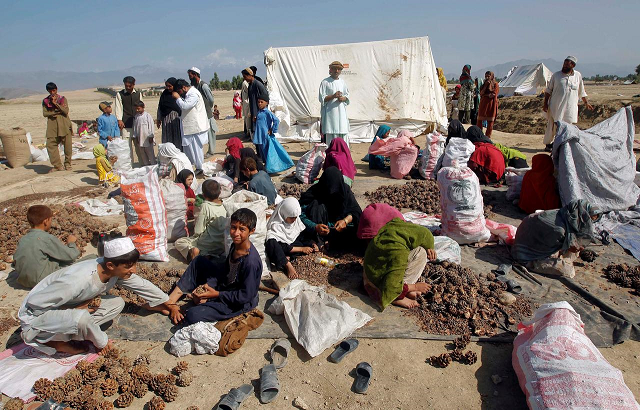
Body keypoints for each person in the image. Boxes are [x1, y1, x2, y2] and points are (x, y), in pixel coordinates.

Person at [18, 237, 178, 355]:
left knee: (116, 303)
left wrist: (169, 303)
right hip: (35, 318)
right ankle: (55, 341)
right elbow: (35, 303)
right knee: (81, 319)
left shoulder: (113, 271)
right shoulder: (77, 281)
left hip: (67, 309)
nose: (134, 270)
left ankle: (74, 332)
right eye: (129, 266)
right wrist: (74, 310)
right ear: (110, 265)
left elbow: (141, 285)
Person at [166, 208, 262, 325]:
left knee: (192, 315)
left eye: (242, 229)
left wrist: (216, 294)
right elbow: (225, 271)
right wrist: (208, 285)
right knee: (199, 261)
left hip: (240, 303)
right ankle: (171, 301)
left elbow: (245, 296)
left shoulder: (250, 262)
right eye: (233, 227)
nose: (236, 233)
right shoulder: (235, 245)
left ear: (251, 231)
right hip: (226, 286)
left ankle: (206, 303)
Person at [512, 200, 601, 278]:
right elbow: (571, 247)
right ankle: (533, 264)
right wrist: (576, 249)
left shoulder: (565, 214)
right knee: (568, 271)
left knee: (572, 252)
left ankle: (561, 259)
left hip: (540, 242)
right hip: (526, 255)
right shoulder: (559, 229)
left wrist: (581, 251)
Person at [362, 216, 436, 310]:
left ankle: (404, 289)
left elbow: (424, 235)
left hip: (369, 273)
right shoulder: (399, 253)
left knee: (419, 250)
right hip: (379, 286)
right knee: (421, 253)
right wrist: (415, 286)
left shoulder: (395, 228)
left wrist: (430, 246)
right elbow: (391, 287)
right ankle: (397, 297)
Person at [14, 205, 81, 289]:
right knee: (81, 262)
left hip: (23, 281)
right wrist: (71, 243)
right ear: (46, 221)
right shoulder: (47, 238)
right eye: (51, 220)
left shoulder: (23, 239)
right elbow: (71, 255)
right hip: (41, 281)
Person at [299, 166, 362, 249]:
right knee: (316, 206)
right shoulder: (314, 193)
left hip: (339, 228)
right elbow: (300, 215)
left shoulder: (344, 191)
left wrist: (345, 221)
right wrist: (315, 227)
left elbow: (356, 212)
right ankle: (319, 241)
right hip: (317, 230)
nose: (332, 193)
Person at [543, 56, 593, 152]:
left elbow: (581, 91)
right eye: (564, 64)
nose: (564, 66)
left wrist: (586, 103)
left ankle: (561, 145)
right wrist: (545, 104)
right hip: (556, 107)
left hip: (570, 108)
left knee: (567, 127)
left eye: (567, 65)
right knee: (554, 126)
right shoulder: (556, 76)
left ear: (573, 65)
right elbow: (548, 91)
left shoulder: (577, 76)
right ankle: (549, 144)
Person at [265, 197, 318, 279]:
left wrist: (312, 243)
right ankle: (287, 264)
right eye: (292, 217)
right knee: (272, 244)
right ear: (284, 214)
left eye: (295, 217)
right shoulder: (276, 225)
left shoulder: (295, 220)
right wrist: (301, 249)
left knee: (303, 240)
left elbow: (301, 235)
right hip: (282, 247)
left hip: (291, 246)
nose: (294, 220)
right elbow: (278, 244)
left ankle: (287, 257)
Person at [174, 179, 226, 262]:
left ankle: (196, 255)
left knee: (179, 242)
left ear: (203, 194)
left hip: (207, 244)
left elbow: (198, 230)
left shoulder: (205, 206)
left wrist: (195, 237)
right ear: (220, 192)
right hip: (221, 245)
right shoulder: (224, 205)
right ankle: (208, 255)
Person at [173, 78, 209, 175]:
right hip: (191, 127)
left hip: (195, 127)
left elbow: (185, 106)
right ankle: (197, 167)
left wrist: (178, 98)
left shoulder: (193, 94)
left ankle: (200, 168)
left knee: (196, 149)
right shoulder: (189, 93)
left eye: (179, 91)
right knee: (191, 149)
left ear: (184, 87)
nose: (179, 94)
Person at [188, 67, 219, 157]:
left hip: (207, 113)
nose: (189, 78)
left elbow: (211, 100)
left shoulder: (203, 85)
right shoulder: (194, 86)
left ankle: (211, 151)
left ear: (195, 75)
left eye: (190, 76)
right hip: (200, 114)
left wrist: (208, 109)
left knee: (210, 132)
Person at [42, 82, 73, 172]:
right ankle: (57, 165)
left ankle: (67, 164)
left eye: (54, 90)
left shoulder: (62, 99)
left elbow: (65, 111)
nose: (52, 93)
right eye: (50, 91)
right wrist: (55, 112)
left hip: (64, 123)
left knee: (67, 145)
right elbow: (45, 113)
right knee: (51, 144)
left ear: (56, 89)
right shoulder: (45, 101)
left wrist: (56, 104)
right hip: (52, 125)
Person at [319, 61, 350, 148]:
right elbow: (321, 98)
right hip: (330, 114)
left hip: (341, 113)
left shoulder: (342, 82)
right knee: (331, 133)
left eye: (339, 69)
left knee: (343, 132)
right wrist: (333, 96)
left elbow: (347, 96)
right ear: (330, 70)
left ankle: (344, 155)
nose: (337, 71)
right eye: (335, 69)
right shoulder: (325, 82)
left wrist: (344, 98)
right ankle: (331, 154)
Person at [114, 76, 144, 165]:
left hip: (137, 123)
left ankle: (142, 164)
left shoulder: (138, 94)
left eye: (129, 86)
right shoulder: (120, 94)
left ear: (133, 85)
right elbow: (118, 108)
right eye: (126, 86)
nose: (127, 88)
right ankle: (129, 165)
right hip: (125, 124)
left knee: (139, 146)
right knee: (127, 147)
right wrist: (119, 120)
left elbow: (142, 107)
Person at [156, 77, 182, 150]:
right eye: (166, 86)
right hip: (166, 120)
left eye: (170, 86)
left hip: (176, 119)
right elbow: (160, 107)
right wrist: (159, 119)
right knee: (167, 139)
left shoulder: (178, 93)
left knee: (177, 137)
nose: (168, 88)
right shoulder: (164, 94)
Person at [242, 68, 268, 137]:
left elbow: (265, 97)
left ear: (250, 75)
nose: (245, 79)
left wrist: (261, 111)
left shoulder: (258, 84)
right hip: (254, 111)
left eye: (245, 76)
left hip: (259, 112)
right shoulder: (250, 85)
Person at [253, 94, 279, 162]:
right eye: (258, 102)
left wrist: (272, 130)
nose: (259, 104)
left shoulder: (267, 112)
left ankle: (268, 164)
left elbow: (276, 120)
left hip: (265, 135)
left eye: (261, 102)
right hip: (259, 135)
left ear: (266, 103)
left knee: (266, 150)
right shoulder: (259, 112)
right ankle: (265, 163)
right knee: (261, 150)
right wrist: (255, 121)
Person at [132, 101, 156, 166]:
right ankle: (146, 167)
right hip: (140, 138)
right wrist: (135, 136)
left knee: (150, 153)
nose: (137, 110)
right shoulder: (136, 117)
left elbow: (151, 126)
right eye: (136, 109)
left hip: (147, 139)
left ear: (143, 107)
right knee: (143, 154)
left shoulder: (148, 116)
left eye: (138, 108)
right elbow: (135, 127)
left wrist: (151, 136)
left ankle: (153, 166)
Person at [477, 71, 499, 136]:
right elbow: (481, 93)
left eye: (488, 76)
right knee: (479, 120)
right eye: (486, 76)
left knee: (490, 121)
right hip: (483, 103)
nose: (487, 78)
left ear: (492, 76)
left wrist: (487, 94)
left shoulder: (495, 84)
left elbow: (494, 94)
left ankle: (488, 136)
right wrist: (486, 85)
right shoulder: (483, 85)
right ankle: (479, 135)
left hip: (492, 104)